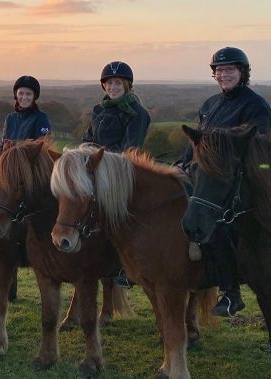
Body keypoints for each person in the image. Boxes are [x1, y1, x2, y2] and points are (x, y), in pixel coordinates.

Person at [178, 47, 271, 317]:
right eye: (219, 70)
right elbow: (200, 140)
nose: (224, 74)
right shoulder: (210, 105)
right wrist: (183, 160)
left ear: (242, 73)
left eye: (230, 69)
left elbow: (258, 146)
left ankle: (230, 292)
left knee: (215, 222)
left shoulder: (256, 106)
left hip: (239, 177)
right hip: (208, 172)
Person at [83, 61, 152, 288]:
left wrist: (102, 162)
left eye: (117, 83)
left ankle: (125, 265)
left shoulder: (138, 113)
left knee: (122, 217)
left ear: (127, 85)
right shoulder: (98, 110)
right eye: (109, 83)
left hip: (120, 172)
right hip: (94, 169)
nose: (113, 87)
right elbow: (88, 139)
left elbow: (131, 148)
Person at [1, 75, 51, 150]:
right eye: (21, 93)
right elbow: (3, 145)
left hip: (30, 161)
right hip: (9, 160)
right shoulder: (10, 118)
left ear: (34, 96)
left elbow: (42, 146)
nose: (24, 97)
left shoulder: (41, 118)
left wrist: (15, 144)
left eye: (28, 94)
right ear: (16, 95)